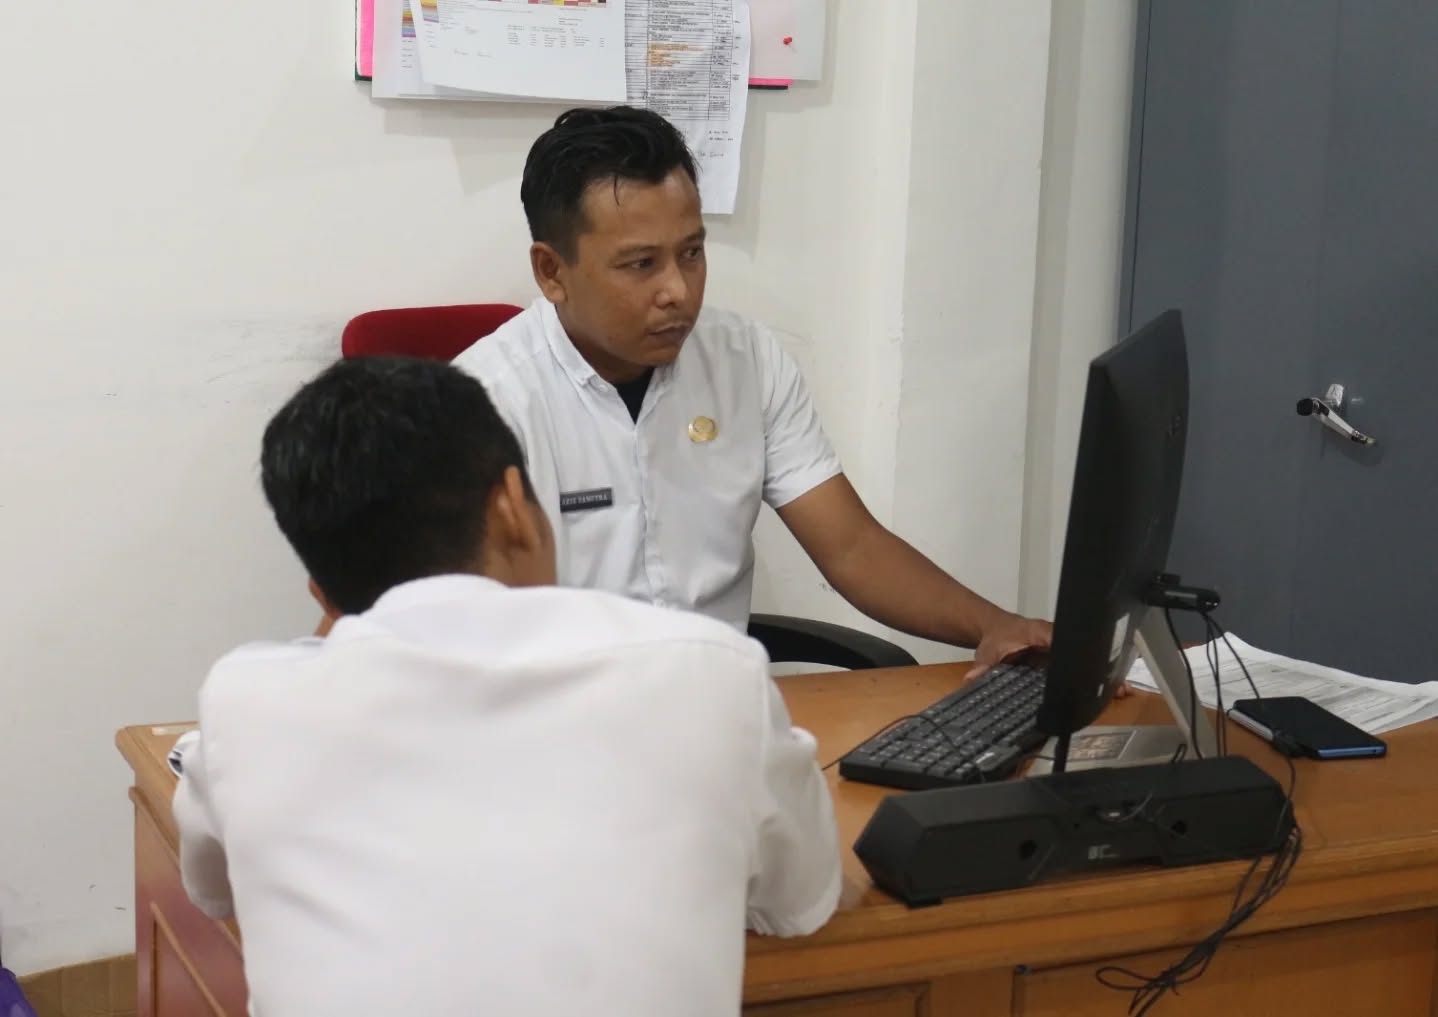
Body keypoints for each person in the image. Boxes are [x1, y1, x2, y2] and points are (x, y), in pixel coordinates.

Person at [173, 357, 841, 1017]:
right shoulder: (712, 675)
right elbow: (800, 902)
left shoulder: (246, 705)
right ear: (514, 507)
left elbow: (212, 889)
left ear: (322, 593)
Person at [449, 105, 1052, 676]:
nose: (678, 291)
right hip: (563, 719)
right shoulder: (484, 403)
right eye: (641, 264)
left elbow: (851, 547)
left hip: (722, 706)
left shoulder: (747, 361)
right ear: (552, 271)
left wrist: (994, 626)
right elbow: (467, 632)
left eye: (691, 253)